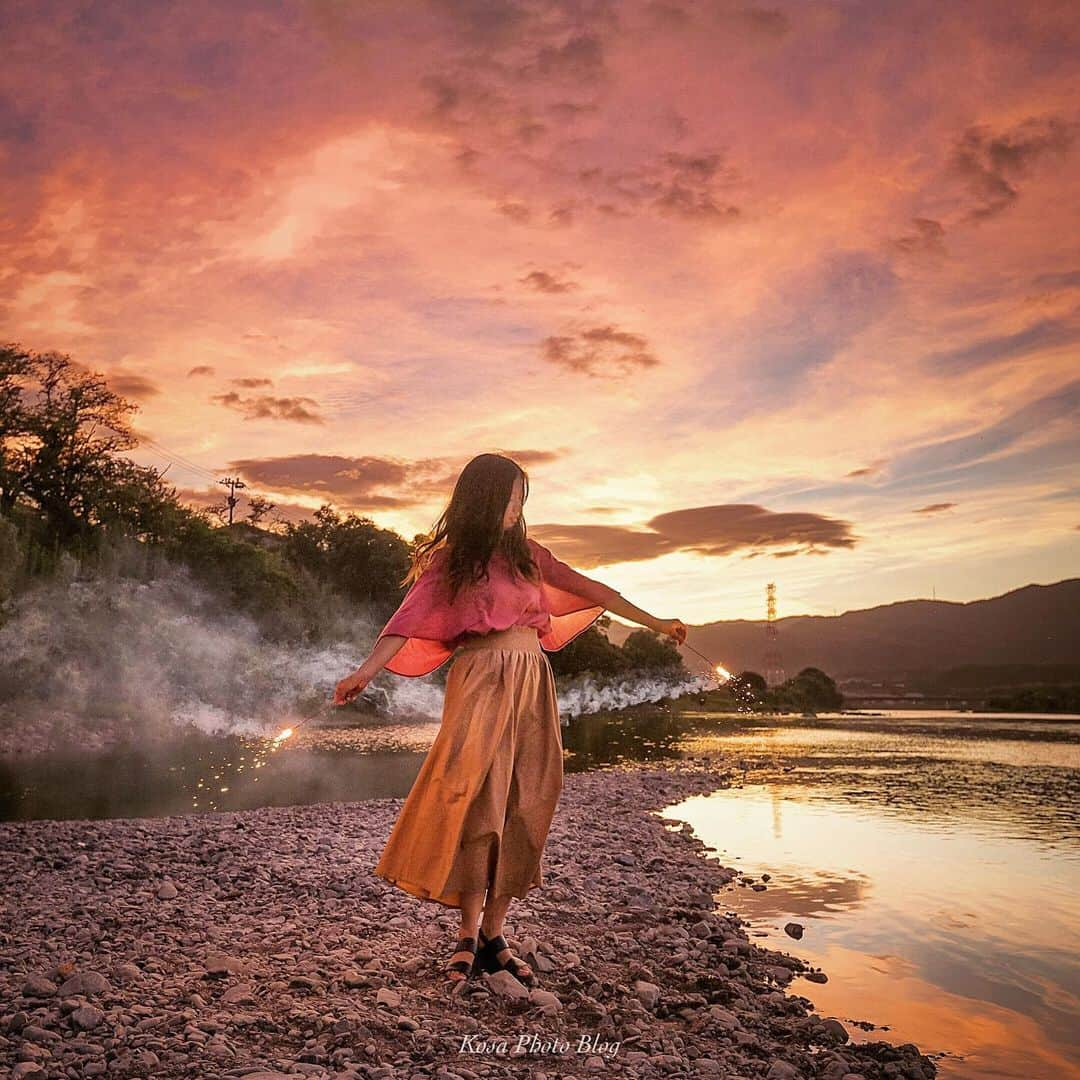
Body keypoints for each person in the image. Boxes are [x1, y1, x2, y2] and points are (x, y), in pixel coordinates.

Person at [333, 453, 687, 986]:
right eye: (514, 494)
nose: (519, 506)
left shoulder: (528, 555)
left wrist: (658, 622)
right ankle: (466, 935)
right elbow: (405, 623)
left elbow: (597, 592)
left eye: (524, 496)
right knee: (478, 797)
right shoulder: (451, 561)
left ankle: (495, 935)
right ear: (487, 497)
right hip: (480, 676)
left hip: (532, 678)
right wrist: (365, 672)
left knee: (530, 797)